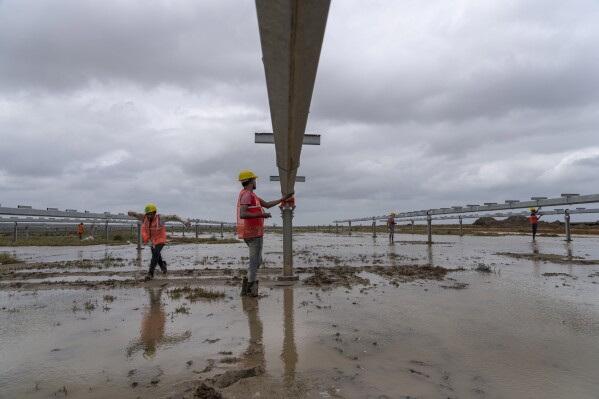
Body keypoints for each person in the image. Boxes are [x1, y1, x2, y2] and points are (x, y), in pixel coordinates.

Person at [236, 170, 293, 297]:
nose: (256, 182)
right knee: (254, 263)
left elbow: (267, 204)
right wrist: (262, 215)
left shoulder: (252, 195)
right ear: (251, 181)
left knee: (257, 262)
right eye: (254, 180)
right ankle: (251, 293)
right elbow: (243, 214)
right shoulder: (246, 195)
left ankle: (245, 289)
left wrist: (283, 199)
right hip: (253, 234)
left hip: (254, 233)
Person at [128, 204, 191, 280]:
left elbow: (174, 216)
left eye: (151, 214)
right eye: (147, 214)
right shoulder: (143, 217)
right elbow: (135, 214)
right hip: (151, 240)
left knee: (155, 254)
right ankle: (163, 267)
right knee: (157, 257)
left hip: (160, 239)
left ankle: (150, 274)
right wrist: (130, 213)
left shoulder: (160, 218)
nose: (149, 216)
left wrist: (185, 222)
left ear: (155, 213)